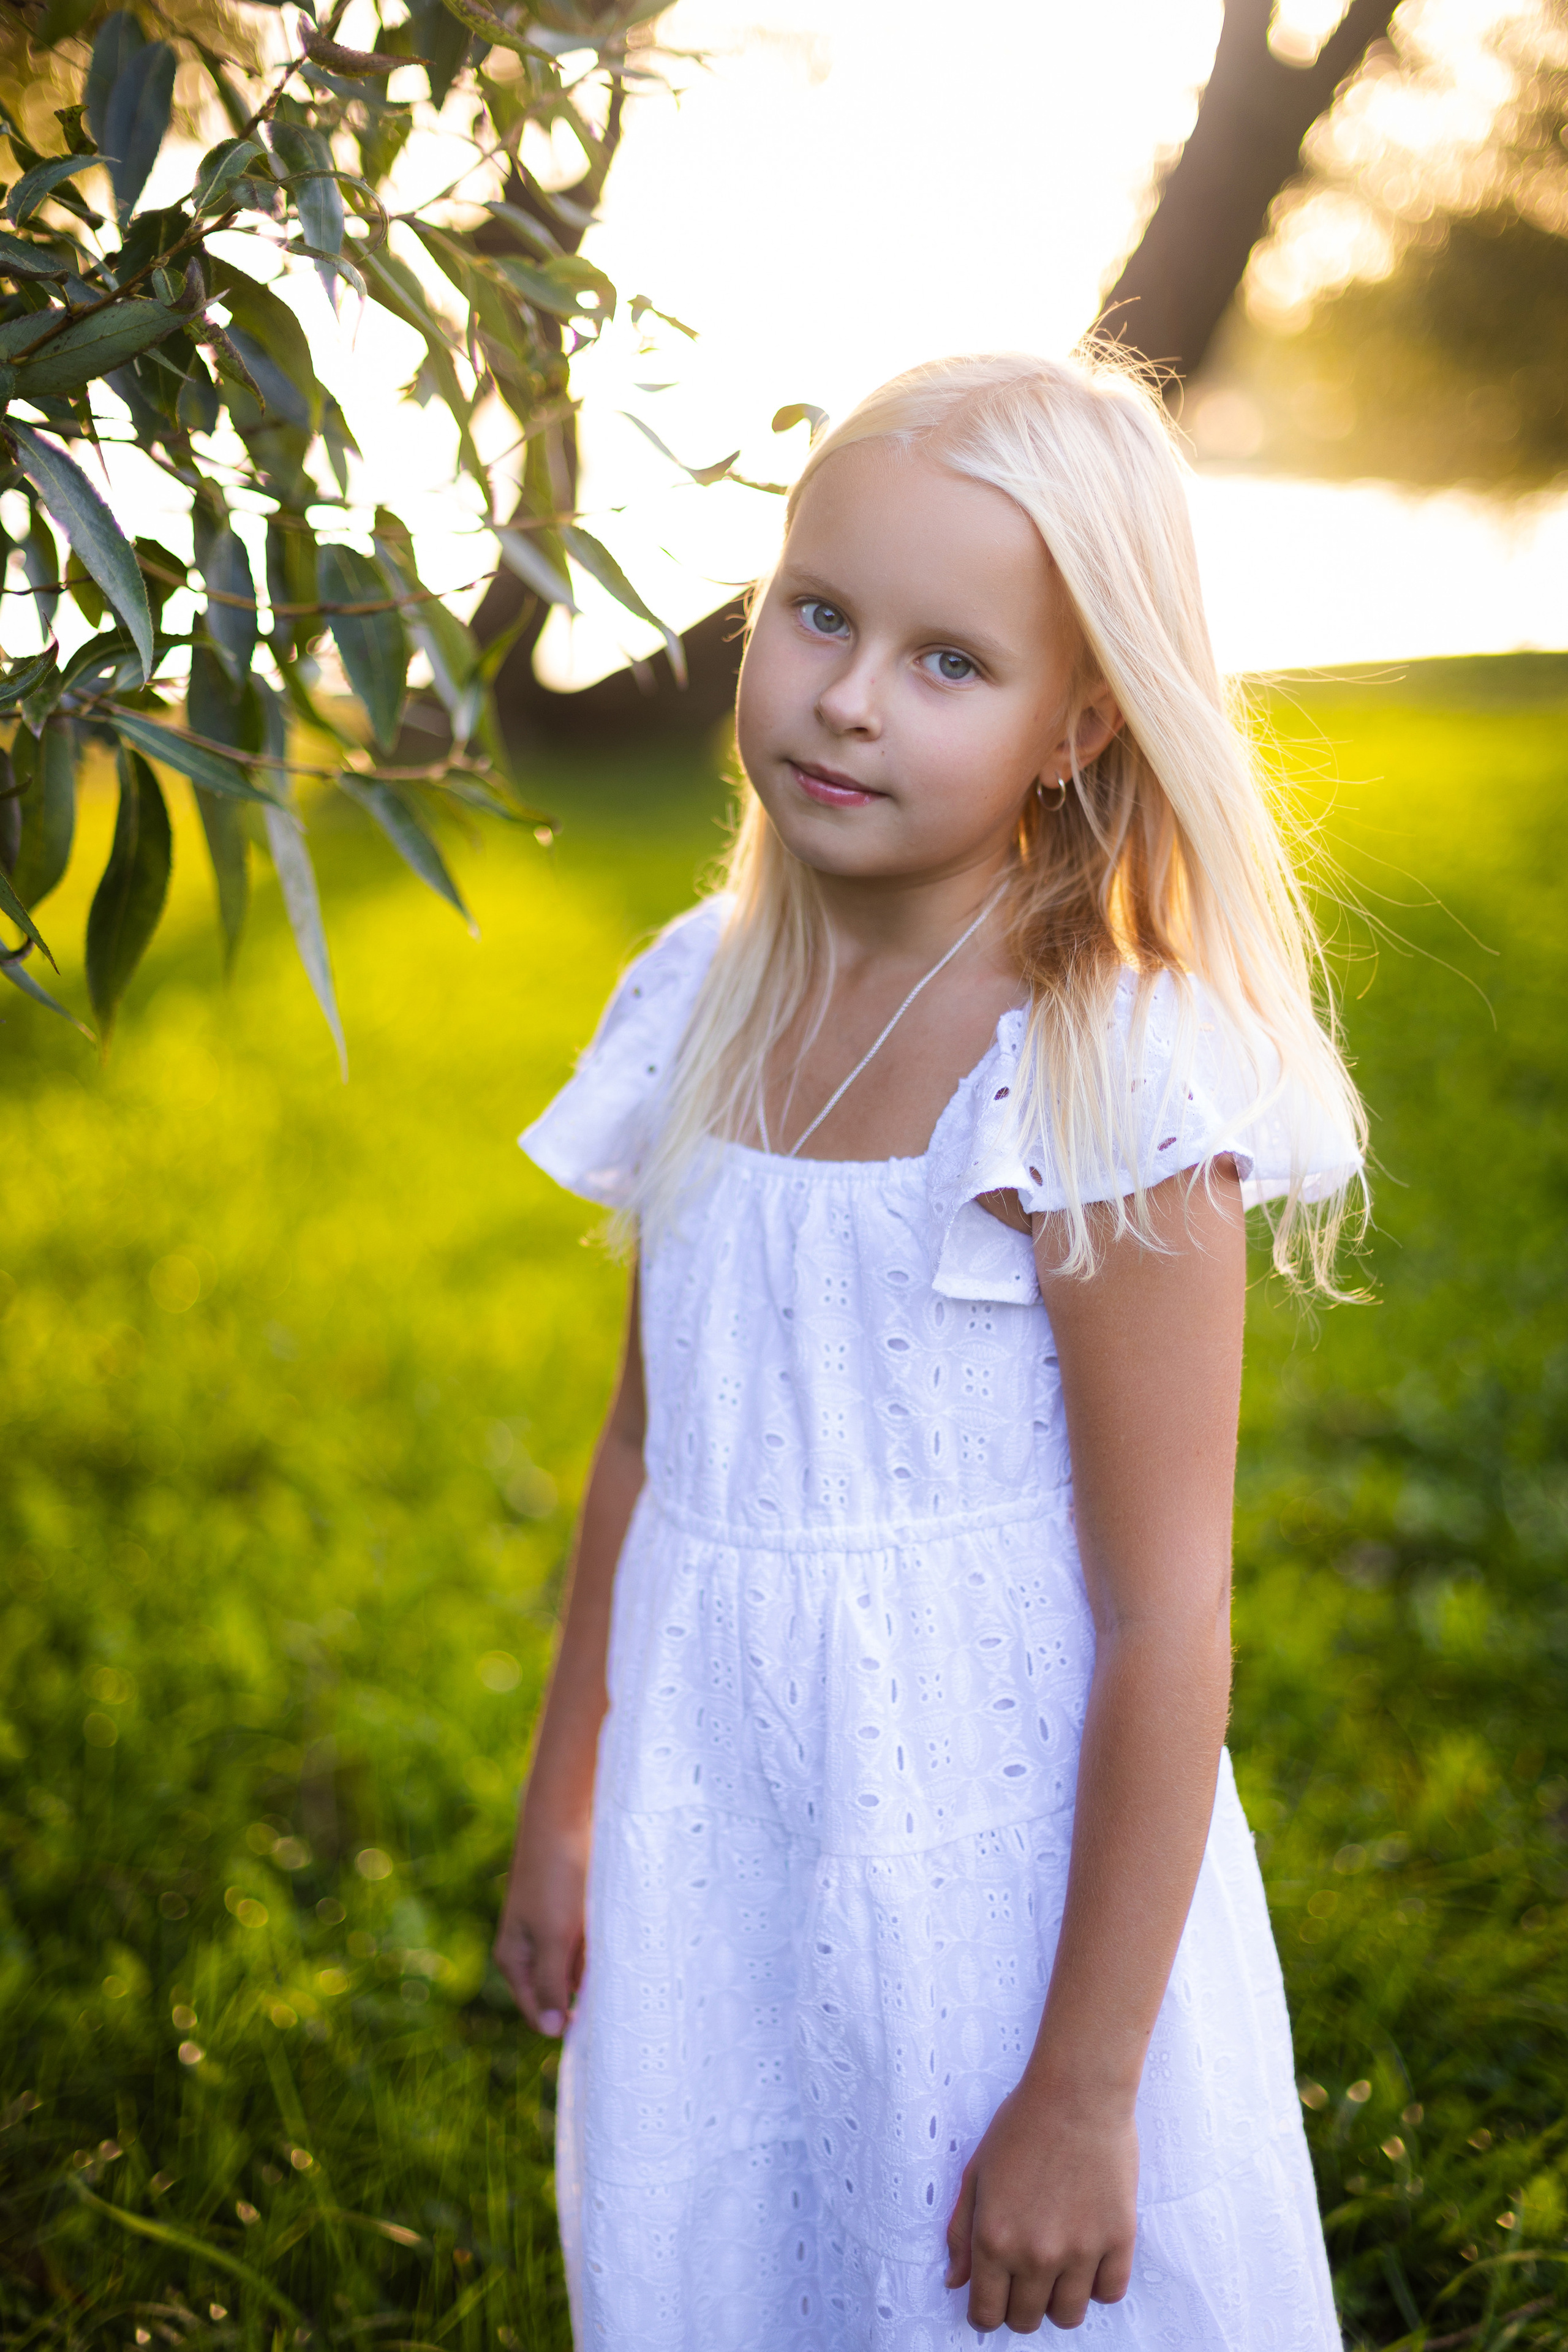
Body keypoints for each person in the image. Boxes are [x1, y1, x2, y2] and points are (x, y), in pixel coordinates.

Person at [494, 348, 1365, 2349]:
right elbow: (647, 1444)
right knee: (771, 2246)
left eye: (948, 662)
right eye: (820, 615)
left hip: (1001, 1868)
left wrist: (1083, 2091)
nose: (851, 694)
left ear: (1080, 726)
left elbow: (1169, 1614)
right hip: (732, 1809)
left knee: (980, 2281)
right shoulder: (695, 998)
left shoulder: (1097, 1065)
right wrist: (569, 1798)